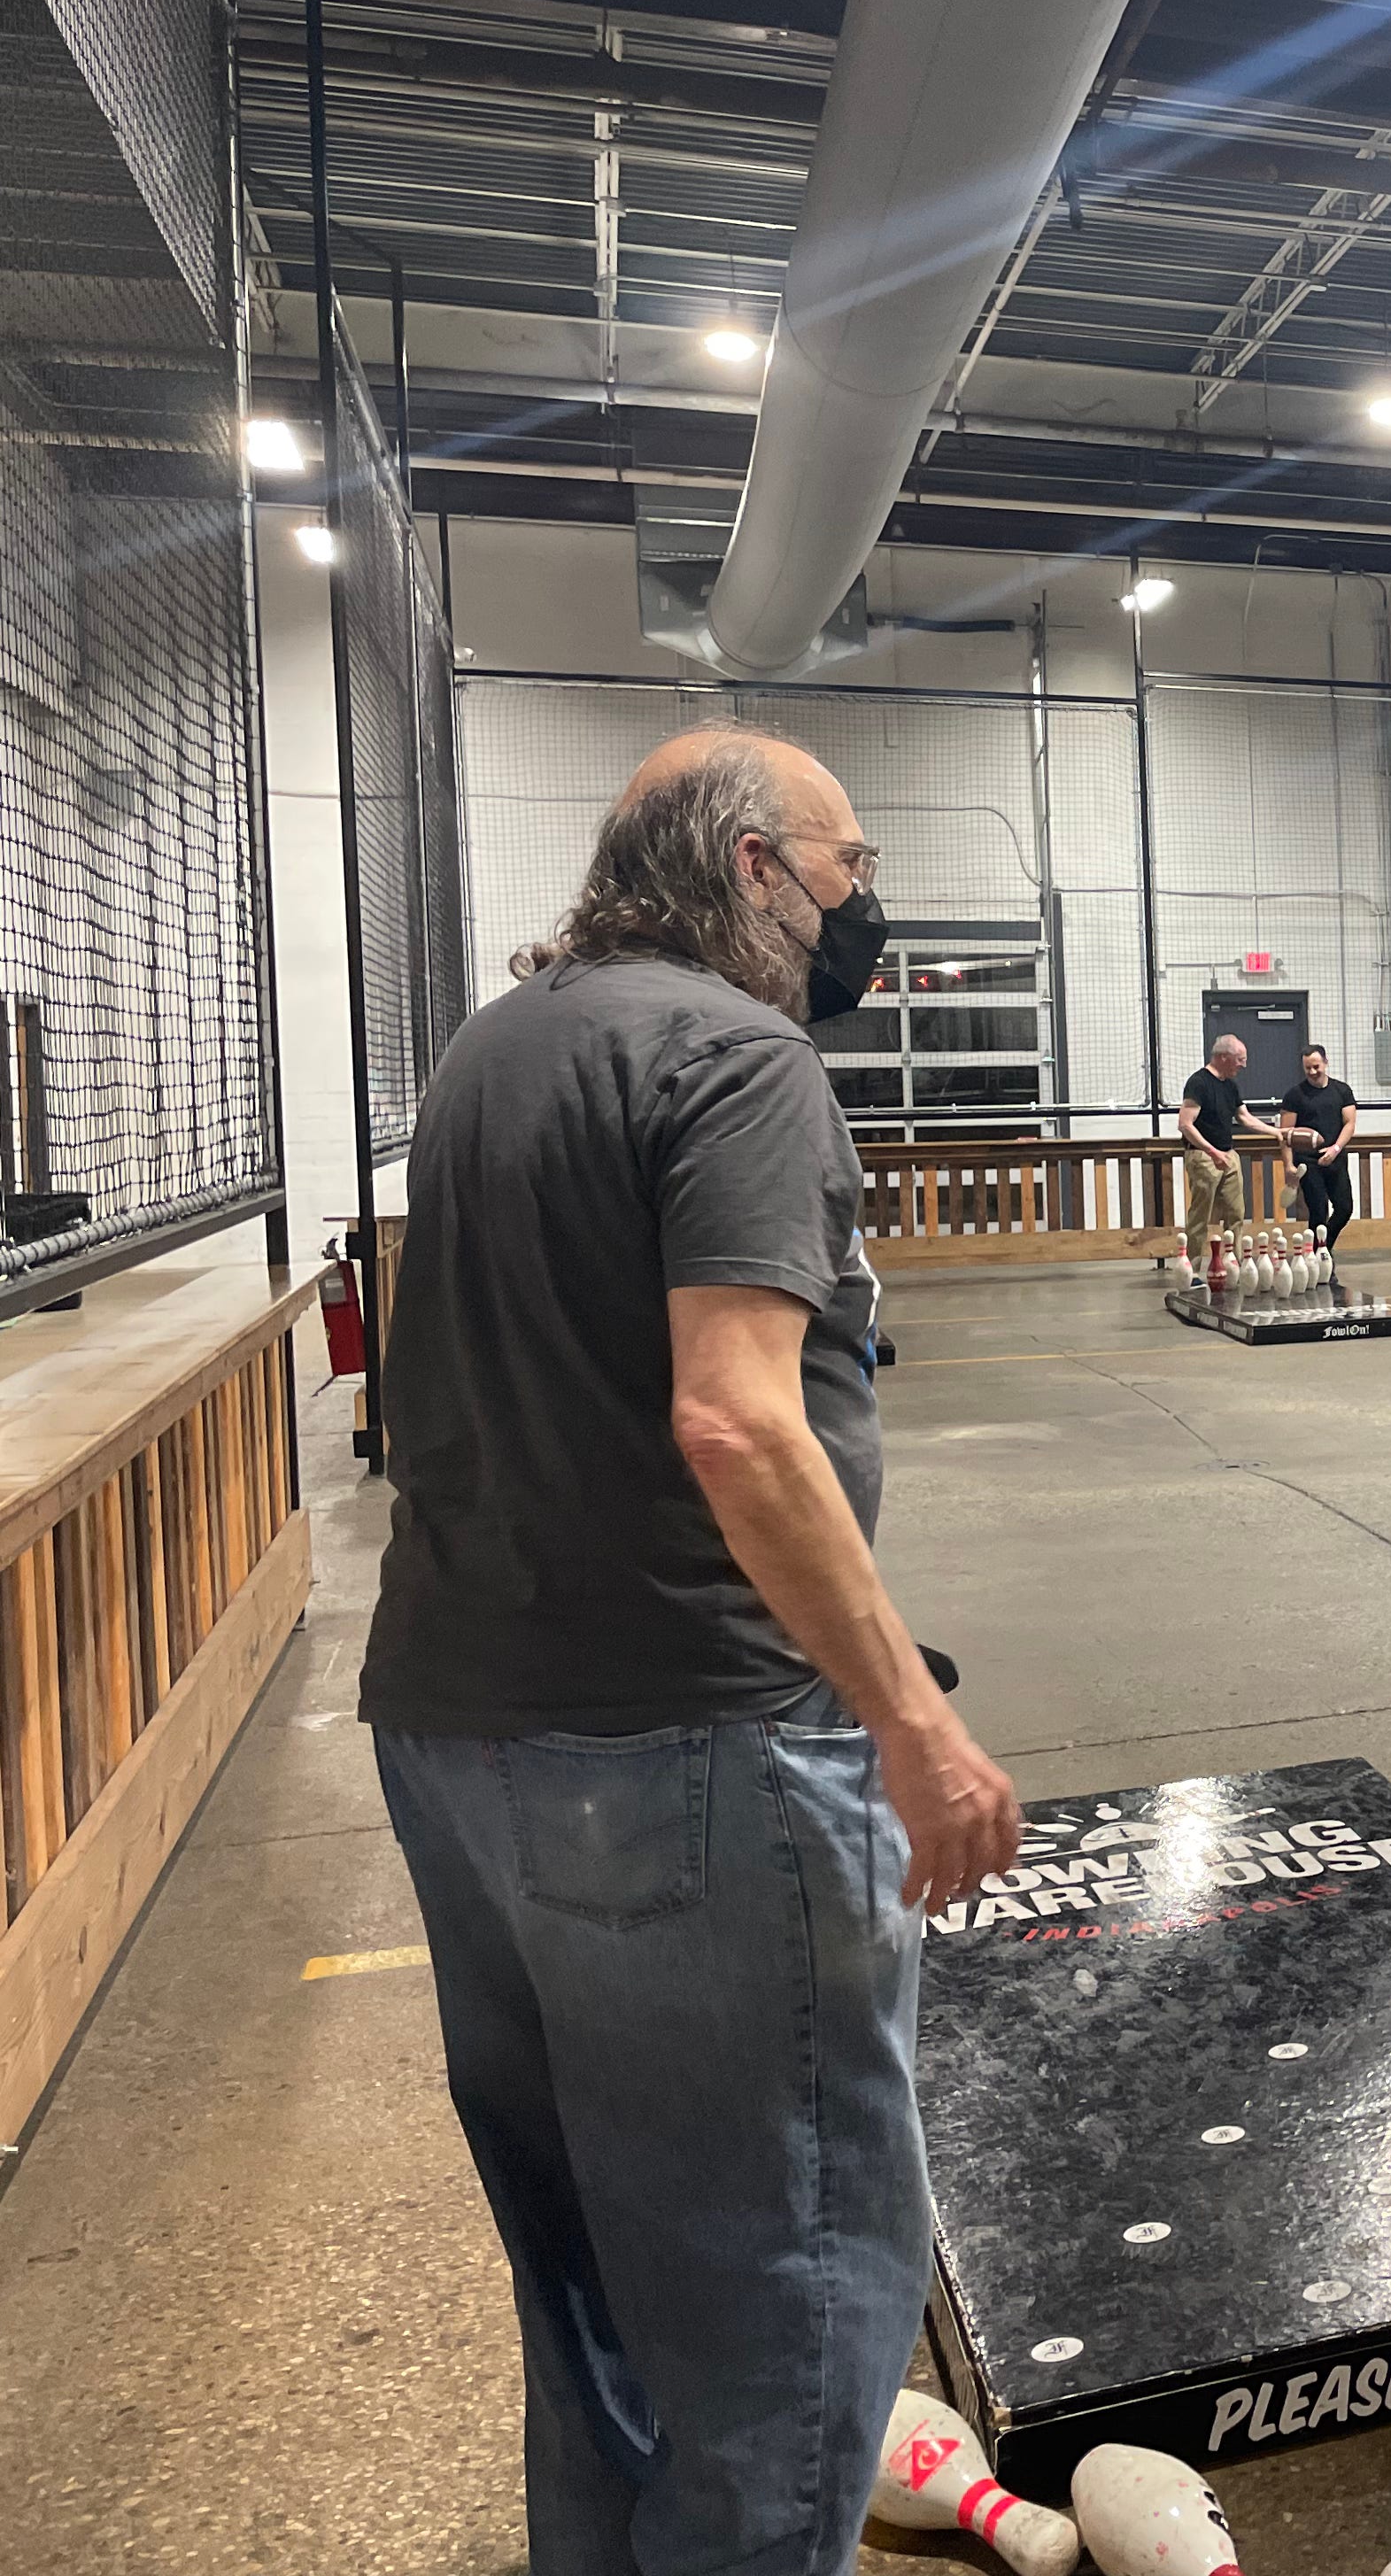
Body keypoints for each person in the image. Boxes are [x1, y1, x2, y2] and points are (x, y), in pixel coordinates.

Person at [359, 728, 1021, 2576]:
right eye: (847, 864)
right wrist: (909, 1719)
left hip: (454, 1733)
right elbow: (735, 1418)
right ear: (751, 865)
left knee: (587, 2288)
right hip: (686, 1750)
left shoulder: (496, 1048)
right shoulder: (737, 1057)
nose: (862, 904)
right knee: (782, 2297)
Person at [1271, 1041, 1358, 1252]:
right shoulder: (1295, 1095)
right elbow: (1286, 1134)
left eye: (1316, 1066)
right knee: (1318, 1211)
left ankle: (1322, 1248)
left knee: (1345, 1208)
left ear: (1326, 1063)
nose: (1312, 1072)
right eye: (1307, 1068)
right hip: (1308, 1162)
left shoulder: (1342, 1091)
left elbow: (1349, 1124)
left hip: (1335, 1158)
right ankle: (1319, 1257)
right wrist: (1288, 1166)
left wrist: (1335, 1148)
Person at [1176, 1033, 1252, 1270]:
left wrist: (1278, 1132)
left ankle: (1235, 1266)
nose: (1243, 1065)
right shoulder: (1198, 1082)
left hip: (1229, 1154)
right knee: (1200, 1217)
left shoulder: (1230, 1085)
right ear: (1223, 1057)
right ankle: (1191, 1270)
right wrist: (1211, 1152)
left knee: (1236, 1214)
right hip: (1203, 1156)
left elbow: (1244, 1117)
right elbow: (1185, 1124)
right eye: (1240, 1059)